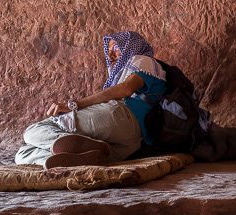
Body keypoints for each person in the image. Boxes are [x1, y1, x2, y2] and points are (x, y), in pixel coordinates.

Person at [14, 30, 168, 168]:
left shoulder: (143, 60)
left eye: (116, 48)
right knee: (22, 153)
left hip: (122, 117)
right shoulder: (132, 67)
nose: (110, 56)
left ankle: (73, 143)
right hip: (132, 142)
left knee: (32, 132)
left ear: (131, 46)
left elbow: (125, 89)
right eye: (108, 51)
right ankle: (67, 158)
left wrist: (75, 105)